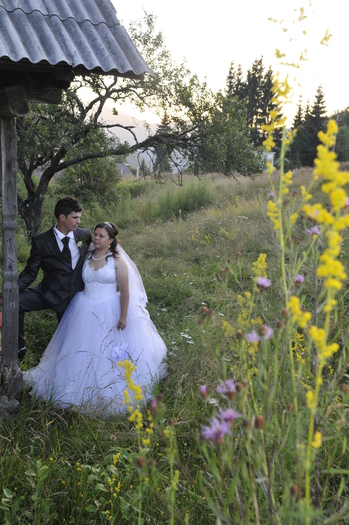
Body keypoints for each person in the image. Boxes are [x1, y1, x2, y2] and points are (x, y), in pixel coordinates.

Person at [23, 222, 167, 415]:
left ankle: (111, 389)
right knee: (79, 349)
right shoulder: (87, 256)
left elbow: (125, 291)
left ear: (111, 240)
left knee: (110, 352)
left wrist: (123, 316)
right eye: (96, 235)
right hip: (84, 308)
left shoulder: (117, 261)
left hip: (110, 309)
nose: (96, 239)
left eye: (101, 236)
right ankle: (73, 386)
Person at [18, 196, 92, 360]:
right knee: (16, 302)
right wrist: (10, 291)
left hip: (76, 297)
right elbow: (31, 272)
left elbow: (102, 256)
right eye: (75, 217)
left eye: (79, 217)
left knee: (71, 346)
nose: (79, 222)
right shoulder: (41, 241)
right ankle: (19, 348)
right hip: (49, 292)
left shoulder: (85, 235)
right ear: (62, 217)